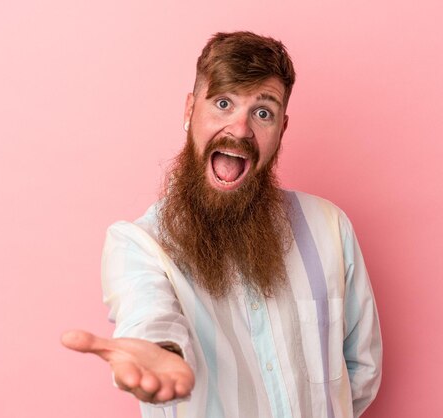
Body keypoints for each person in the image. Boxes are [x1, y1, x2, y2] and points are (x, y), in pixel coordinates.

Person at [62, 31, 382, 418]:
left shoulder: (330, 227)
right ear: (189, 111)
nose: (241, 129)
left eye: (263, 112)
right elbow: (149, 315)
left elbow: (360, 374)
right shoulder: (138, 245)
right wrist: (161, 353)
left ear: (281, 130)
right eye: (224, 103)